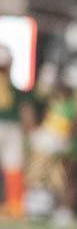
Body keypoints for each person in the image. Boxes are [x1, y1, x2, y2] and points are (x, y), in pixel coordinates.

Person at [0, 46, 33, 218]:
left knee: (14, 167)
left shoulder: (14, 89)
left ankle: (15, 205)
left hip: (12, 127)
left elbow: (25, 110)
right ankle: (14, 205)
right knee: (13, 166)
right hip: (10, 127)